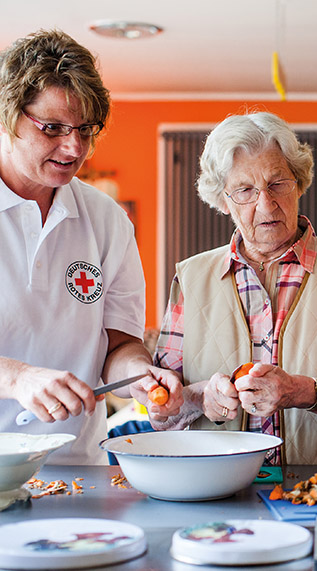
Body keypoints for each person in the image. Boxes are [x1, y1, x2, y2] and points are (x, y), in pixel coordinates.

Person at [151, 111, 317, 465]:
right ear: (223, 201)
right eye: (245, 190)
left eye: (277, 184)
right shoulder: (191, 278)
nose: (266, 204)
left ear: (299, 183)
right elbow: (161, 412)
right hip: (214, 485)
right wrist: (200, 398)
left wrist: (301, 391)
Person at [0, 29, 183, 465]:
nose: (74, 147)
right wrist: (17, 378)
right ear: (8, 116)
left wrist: (139, 375)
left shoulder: (107, 220)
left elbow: (119, 344)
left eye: (85, 129)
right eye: (53, 128)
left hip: (77, 466)